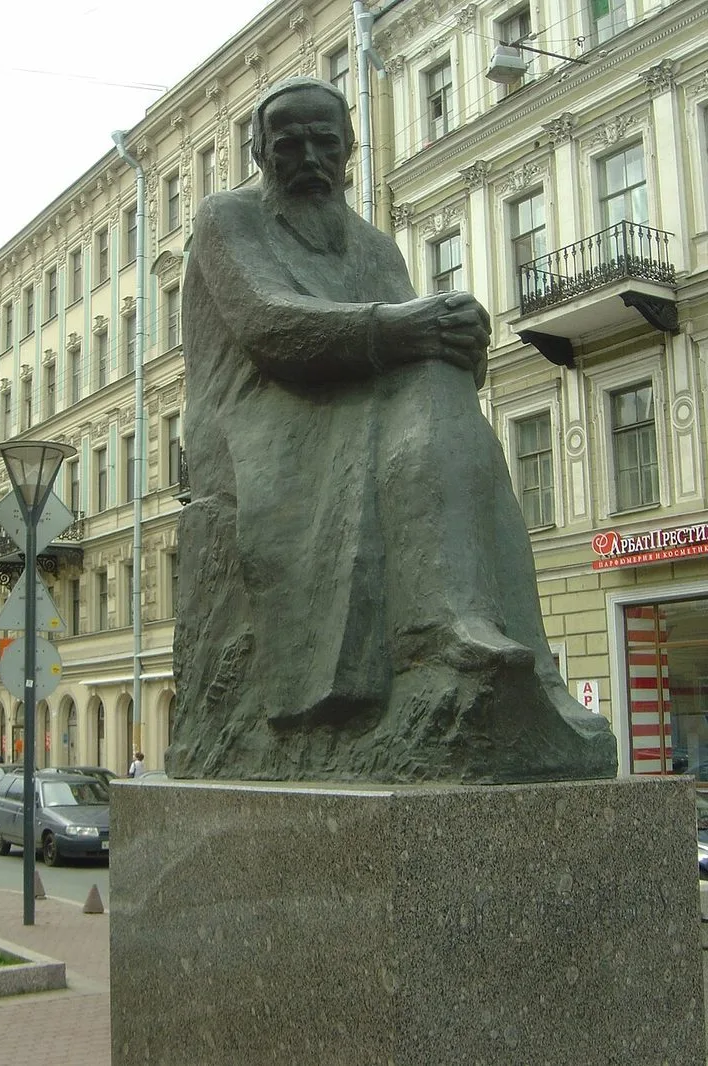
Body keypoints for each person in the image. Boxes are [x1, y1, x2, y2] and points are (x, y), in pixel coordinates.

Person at [169, 76, 616, 784]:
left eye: (326, 143)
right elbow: (270, 327)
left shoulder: (374, 247)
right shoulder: (227, 220)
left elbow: (421, 349)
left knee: (441, 386)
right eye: (290, 146)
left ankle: (502, 648)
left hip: (342, 404)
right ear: (260, 152)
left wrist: (461, 341)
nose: (310, 158)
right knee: (412, 381)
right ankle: (435, 627)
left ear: (350, 152)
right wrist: (407, 328)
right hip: (252, 416)